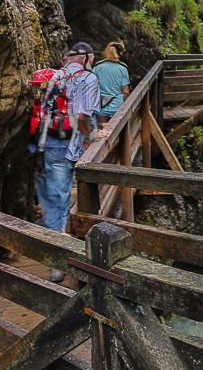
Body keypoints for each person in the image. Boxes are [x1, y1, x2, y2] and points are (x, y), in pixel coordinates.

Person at [34, 42, 99, 282]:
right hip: (68, 145)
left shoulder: (54, 75)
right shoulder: (88, 79)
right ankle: (57, 262)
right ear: (85, 59)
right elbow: (84, 116)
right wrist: (92, 135)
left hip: (48, 142)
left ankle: (55, 247)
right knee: (61, 201)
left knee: (56, 199)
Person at [93, 41, 131, 125]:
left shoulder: (97, 67)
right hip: (117, 105)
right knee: (117, 129)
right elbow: (126, 91)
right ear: (119, 53)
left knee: (103, 128)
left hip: (102, 103)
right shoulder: (123, 68)